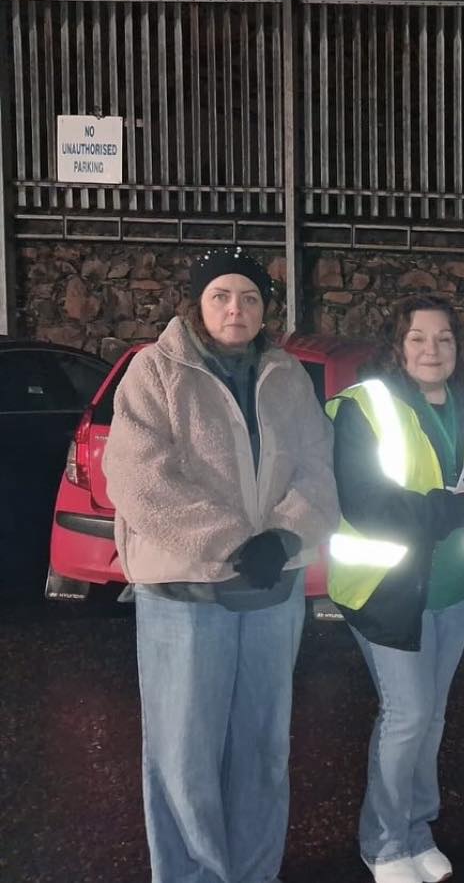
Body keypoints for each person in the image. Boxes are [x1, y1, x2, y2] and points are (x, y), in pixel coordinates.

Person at [103, 246, 340, 883]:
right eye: (222, 296)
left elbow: (319, 468)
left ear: (266, 309)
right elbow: (138, 478)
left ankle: (253, 873)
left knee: (263, 748)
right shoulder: (155, 373)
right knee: (185, 755)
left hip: (272, 589)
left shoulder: (288, 375)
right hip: (186, 593)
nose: (237, 309)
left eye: (251, 298)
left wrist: (285, 539)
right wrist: (237, 541)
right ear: (198, 302)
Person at [327, 295, 464, 883]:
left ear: (458, 347)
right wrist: (455, 509)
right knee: (407, 715)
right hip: (387, 588)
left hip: (456, 587)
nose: (431, 350)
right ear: (397, 343)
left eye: (443, 339)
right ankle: (383, 844)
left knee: (431, 717)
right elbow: (366, 504)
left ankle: (417, 830)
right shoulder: (367, 406)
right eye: (417, 338)